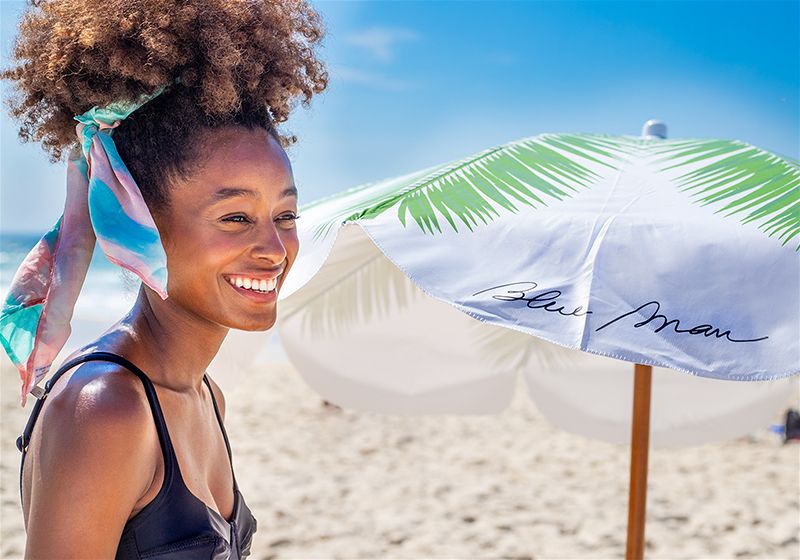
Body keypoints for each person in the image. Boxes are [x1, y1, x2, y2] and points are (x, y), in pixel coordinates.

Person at [0, 0, 327, 557]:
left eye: (287, 216)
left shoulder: (206, 396)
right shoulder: (106, 409)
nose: (274, 249)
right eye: (235, 218)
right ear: (136, 223)